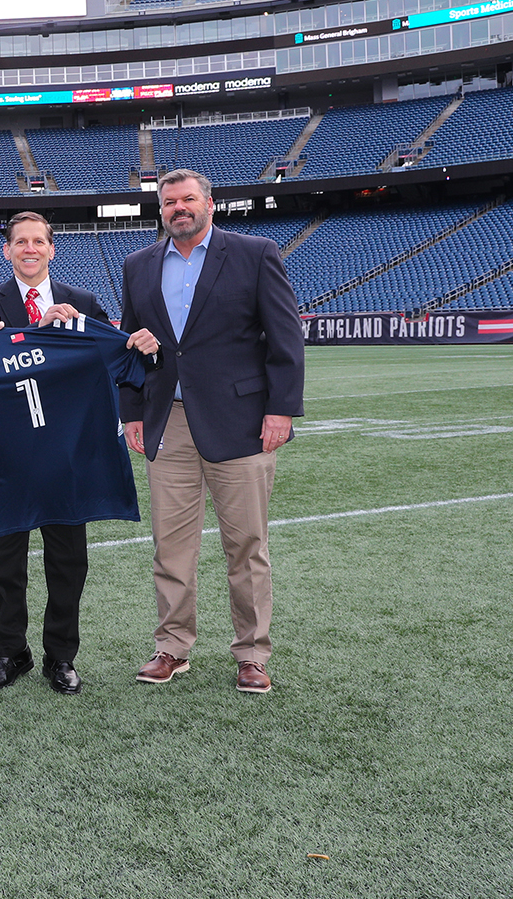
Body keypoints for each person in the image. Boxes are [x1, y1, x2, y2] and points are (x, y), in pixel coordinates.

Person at [120, 169, 305, 694]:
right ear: (160, 209)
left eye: (188, 199)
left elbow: (284, 337)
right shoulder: (138, 265)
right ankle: (172, 647)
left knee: (246, 544)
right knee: (170, 546)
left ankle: (251, 654)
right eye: (169, 201)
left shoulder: (254, 252)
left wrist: (281, 410)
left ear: (209, 203)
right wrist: (131, 411)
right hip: (169, 422)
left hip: (241, 422)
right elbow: (131, 346)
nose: (179, 208)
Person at [0, 211, 116, 695]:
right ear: (6, 250)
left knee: (68, 559)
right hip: (9, 453)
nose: (29, 249)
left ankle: (61, 656)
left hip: (65, 451)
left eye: (38, 242)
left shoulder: (83, 302)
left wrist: (83, 332)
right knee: (7, 559)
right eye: (20, 242)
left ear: (52, 249)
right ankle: (10, 651)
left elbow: (105, 365)